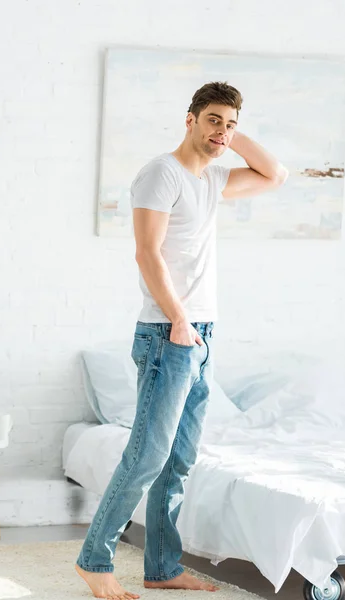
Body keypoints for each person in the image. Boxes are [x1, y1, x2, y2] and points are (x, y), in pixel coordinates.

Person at [75, 81, 288, 599]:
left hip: (202, 332)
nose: (222, 131)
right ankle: (94, 559)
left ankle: (162, 568)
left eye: (231, 123)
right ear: (189, 119)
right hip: (169, 331)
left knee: (179, 458)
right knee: (148, 454)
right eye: (213, 120)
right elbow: (147, 254)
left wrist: (230, 138)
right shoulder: (160, 173)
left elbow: (274, 175)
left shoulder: (212, 180)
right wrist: (178, 319)